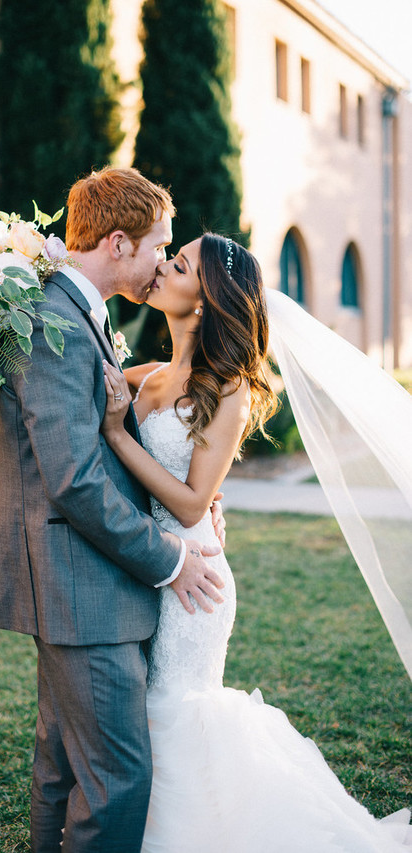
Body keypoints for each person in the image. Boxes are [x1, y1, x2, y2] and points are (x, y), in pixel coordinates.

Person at [101, 232, 412, 851]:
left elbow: (192, 501)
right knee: (147, 717)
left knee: (176, 710)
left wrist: (118, 435)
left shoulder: (230, 388)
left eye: (179, 265)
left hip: (196, 584)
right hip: (147, 566)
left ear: (205, 299)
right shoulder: (146, 376)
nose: (161, 266)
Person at [0, 168, 227, 853]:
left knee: (62, 767)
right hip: (83, 586)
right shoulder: (56, 320)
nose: (162, 261)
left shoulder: (77, 310)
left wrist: (193, 494)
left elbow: (105, 440)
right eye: (160, 246)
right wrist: (171, 557)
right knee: (117, 779)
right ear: (119, 243)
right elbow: (75, 480)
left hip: (77, 577)